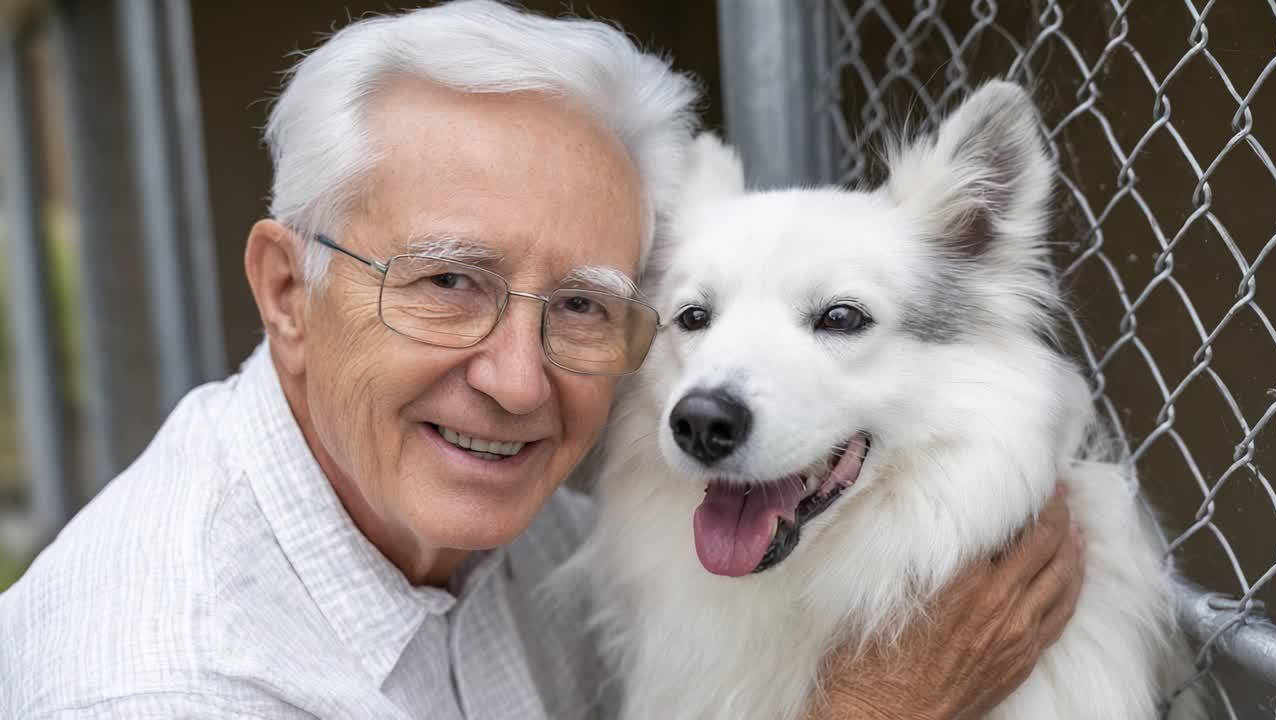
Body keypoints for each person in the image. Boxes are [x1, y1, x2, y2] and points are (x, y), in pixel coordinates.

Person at [0, 2, 1084, 718]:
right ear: (288, 291)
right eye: (446, 283)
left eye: (580, 304)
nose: (518, 382)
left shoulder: (552, 542)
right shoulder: (167, 683)